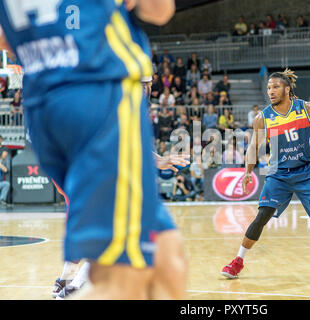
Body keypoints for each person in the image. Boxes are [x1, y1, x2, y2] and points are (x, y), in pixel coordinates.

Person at [0, 0, 189, 299]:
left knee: (166, 250)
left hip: (42, 109)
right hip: (97, 90)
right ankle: (77, 282)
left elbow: (6, 40)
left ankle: (74, 277)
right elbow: (159, 10)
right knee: (123, 270)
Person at [221, 69, 310, 280]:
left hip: (306, 172)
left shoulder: (307, 108)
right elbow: (254, 146)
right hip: (278, 174)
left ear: (287, 88)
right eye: (268, 88)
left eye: (275, 87)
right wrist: (247, 170)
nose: (271, 91)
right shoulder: (263, 117)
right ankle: (237, 261)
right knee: (262, 215)